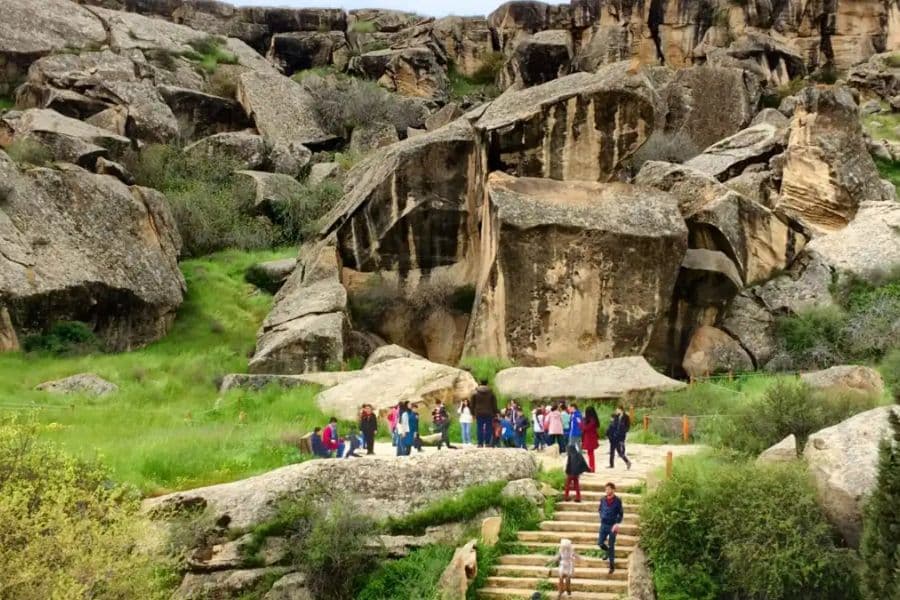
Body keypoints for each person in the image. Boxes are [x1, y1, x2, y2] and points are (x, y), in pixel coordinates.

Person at [597, 482, 624, 574]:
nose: (607, 491)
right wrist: (601, 516)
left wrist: (617, 524)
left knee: (611, 545)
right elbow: (600, 509)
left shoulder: (618, 500)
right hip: (603, 525)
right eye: (606, 489)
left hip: (613, 526)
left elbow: (621, 514)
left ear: (613, 490)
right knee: (600, 543)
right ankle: (607, 552)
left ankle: (612, 565)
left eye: (609, 489)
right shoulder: (603, 499)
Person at [471, 379, 498, 447]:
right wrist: (495, 413)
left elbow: (472, 405)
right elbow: (494, 404)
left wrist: (473, 414)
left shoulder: (475, 393)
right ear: (487, 384)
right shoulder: (491, 393)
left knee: (479, 428)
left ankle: (480, 443)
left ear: (480, 383)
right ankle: (487, 443)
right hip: (489, 413)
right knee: (488, 428)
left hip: (479, 413)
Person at [582, 406, 600, 472]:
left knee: (591, 453)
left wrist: (583, 421)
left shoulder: (592, 420)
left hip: (590, 438)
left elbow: (585, 428)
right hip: (590, 438)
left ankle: (592, 468)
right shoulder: (592, 419)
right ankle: (591, 467)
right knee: (590, 453)